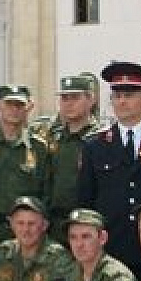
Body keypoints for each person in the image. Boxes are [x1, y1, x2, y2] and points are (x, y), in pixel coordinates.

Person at [77, 61, 141, 280]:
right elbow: (86, 199)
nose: (122, 101)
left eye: (129, 95)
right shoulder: (94, 144)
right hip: (112, 247)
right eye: (117, 95)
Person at [0, 84, 51, 256]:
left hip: (26, 233)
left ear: (28, 108)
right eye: (9, 104)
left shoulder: (38, 148)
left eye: (19, 105)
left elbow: (45, 192)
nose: (14, 110)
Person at [33, 73, 101, 241]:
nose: (68, 104)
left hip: (87, 223)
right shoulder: (52, 138)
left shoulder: (100, 139)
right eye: (64, 98)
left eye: (75, 98)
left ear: (91, 99)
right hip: (54, 224)